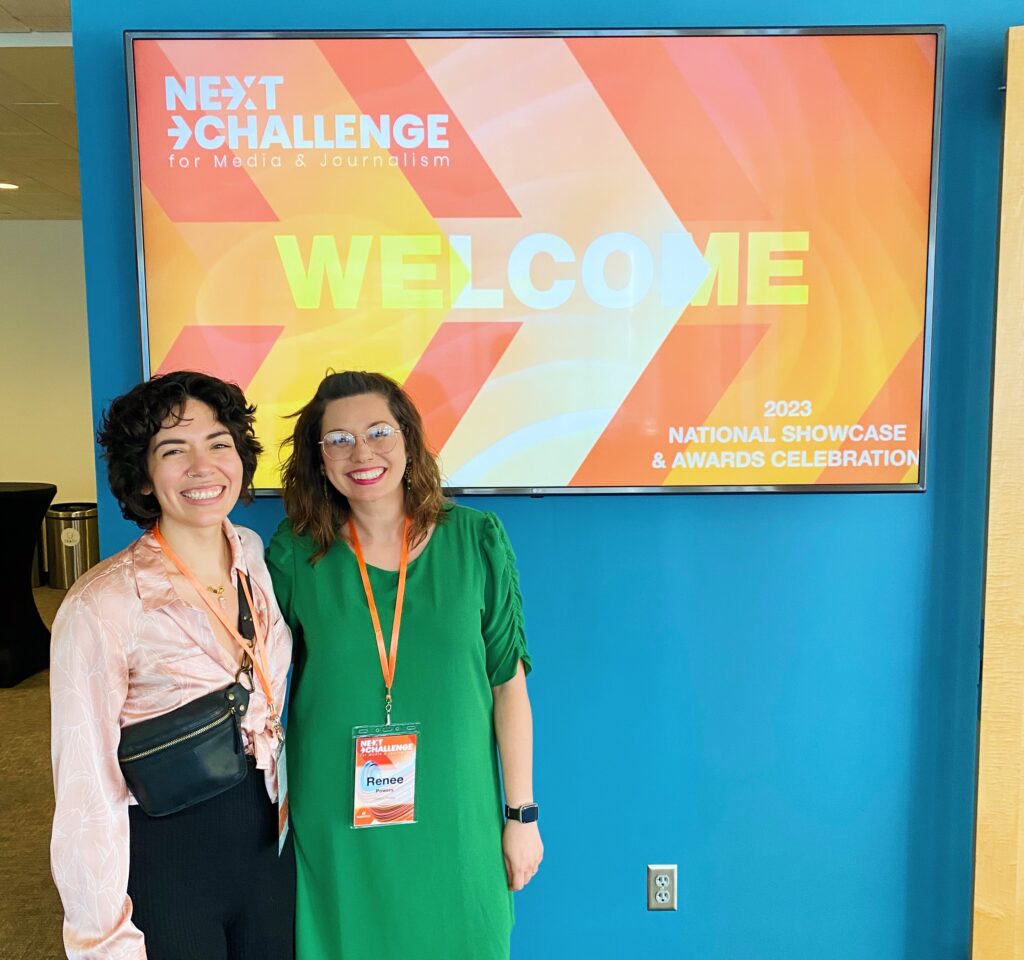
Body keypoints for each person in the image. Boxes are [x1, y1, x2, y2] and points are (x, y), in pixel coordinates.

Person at [267, 370, 543, 960]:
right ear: (318, 459)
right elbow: (256, 680)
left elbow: (508, 687)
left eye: (378, 432)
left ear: (409, 441)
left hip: (456, 817)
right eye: (337, 439)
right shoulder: (294, 552)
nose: (361, 453)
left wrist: (521, 816)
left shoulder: (476, 540)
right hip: (338, 821)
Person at [49, 371, 294, 960]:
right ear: (143, 473)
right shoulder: (103, 604)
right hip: (169, 867)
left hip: (269, 854)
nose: (202, 466)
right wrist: (104, 940)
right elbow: (85, 793)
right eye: (172, 450)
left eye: (218, 443)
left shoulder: (253, 559)